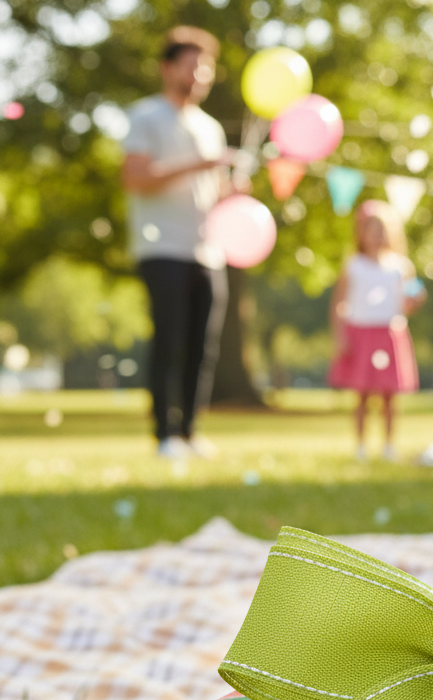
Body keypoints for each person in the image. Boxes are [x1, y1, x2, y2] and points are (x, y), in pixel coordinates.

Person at [122, 26, 239, 458]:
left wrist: (232, 191)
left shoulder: (210, 127)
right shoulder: (146, 116)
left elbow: (212, 191)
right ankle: (164, 435)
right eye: (191, 65)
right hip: (161, 247)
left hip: (207, 250)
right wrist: (197, 164)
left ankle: (189, 432)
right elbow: (135, 178)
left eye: (205, 67)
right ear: (167, 68)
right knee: (169, 341)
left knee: (202, 347)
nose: (199, 75)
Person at [327, 201, 423, 461]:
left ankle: (389, 445)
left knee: (390, 395)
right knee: (362, 394)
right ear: (361, 233)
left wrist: (415, 301)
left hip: (390, 332)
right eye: (373, 229)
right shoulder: (353, 265)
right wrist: (340, 336)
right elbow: (338, 304)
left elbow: (408, 303)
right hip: (360, 333)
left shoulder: (401, 266)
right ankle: (360, 446)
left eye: (383, 230)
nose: (378, 235)